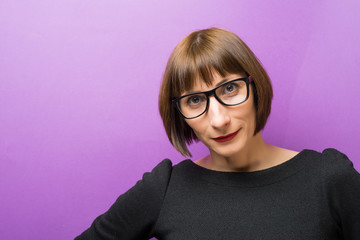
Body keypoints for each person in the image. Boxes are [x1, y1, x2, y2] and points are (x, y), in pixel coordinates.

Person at [75, 28, 360, 239]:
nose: (219, 119)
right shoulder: (165, 188)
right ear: (180, 114)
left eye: (230, 88)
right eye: (195, 100)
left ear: (255, 87)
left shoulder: (330, 179)